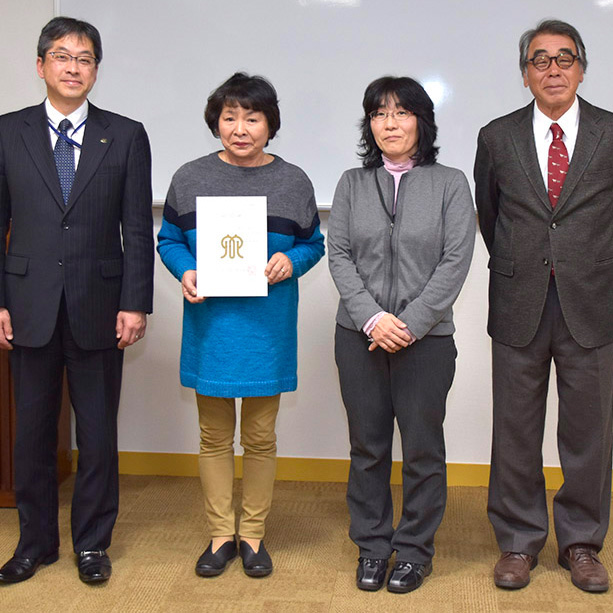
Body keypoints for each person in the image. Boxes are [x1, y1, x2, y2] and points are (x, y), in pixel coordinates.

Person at [0, 17, 154, 584]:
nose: (73, 67)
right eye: (62, 57)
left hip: (100, 306)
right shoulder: (6, 132)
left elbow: (136, 227)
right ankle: (35, 543)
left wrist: (135, 303)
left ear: (96, 69)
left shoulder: (127, 134)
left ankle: (92, 544)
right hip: (27, 307)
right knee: (32, 434)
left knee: (97, 434)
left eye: (85, 58)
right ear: (40, 65)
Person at [157, 72, 324, 579]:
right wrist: (185, 269)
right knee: (212, 436)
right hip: (213, 325)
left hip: (266, 328)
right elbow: (168, 239)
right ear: (216, 124)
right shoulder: (189, 177)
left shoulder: (293, 180)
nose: (240, 127)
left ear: (270, 125)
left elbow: (314, 243)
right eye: (230, 117)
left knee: (260, 437)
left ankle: (252, 535)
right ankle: (218, 535)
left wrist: (290, 262)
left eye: (252, 118)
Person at [474, 19, 613, 593]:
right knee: (515, 427)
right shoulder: (497, 136)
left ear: (582, 67)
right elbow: (490, 213)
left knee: (590, 430)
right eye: (540, 60)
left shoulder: (610, 132)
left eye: (564, 58)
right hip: (519, 301)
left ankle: (580, 541)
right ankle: (517, 541)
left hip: (594, 303)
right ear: (525, 72)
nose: (552, 69)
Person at [328, 76, 475, 593]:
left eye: (401, 112)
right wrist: (373, 318)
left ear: (421, 121)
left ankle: (413, 551)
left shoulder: (451, 182)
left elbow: (456, 260)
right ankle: (372, 547)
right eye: (379, 113)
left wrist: (410, 324)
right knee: (366, 447)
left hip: (426, 341)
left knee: (422, 449)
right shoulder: (351, 183)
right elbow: (339, 255)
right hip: (359, 336)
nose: (390, 123)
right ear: (369, 124)